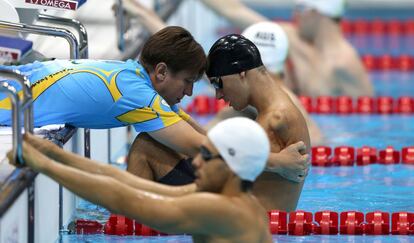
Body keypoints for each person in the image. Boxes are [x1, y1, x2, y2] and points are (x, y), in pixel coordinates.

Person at [10, 118, 273, 243]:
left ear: (231, 165)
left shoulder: (224, 211)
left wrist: (42, 165)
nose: (195, 162)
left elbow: (123, 199)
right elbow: (127, 183)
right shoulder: (237, 203)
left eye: (205, 155)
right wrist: (53, 153)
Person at [129, 35, 311, 212]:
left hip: (242, 221)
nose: (218, 95)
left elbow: (224, 162)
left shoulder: (277, 117)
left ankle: (127, 222)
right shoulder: (270, 107)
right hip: (243, 211)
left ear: (241, 73)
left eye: (218, 84)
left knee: (146, 146)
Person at [0, 26, 206, 157]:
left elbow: (188, 125)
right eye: (188, 81)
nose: (189, 92)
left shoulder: (129, 74)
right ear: (161, 71)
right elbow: (200, 148)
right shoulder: (139, 96)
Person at [199, 0, 374, 97]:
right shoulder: (292, 37)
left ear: (318, 12)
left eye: (300, 8)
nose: (294, 15)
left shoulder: (343, 64)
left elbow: (367, 118)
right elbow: (234, 11)